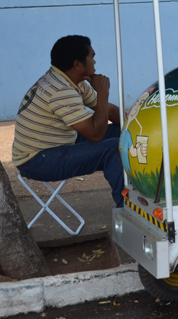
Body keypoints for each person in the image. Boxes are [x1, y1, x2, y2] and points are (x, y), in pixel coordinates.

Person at [12, 36, 124, 208]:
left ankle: (143, 189)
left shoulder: (70, 81)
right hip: (36, 159)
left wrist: (136, 124)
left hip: (60, 142)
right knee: (112, 149)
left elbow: (110, 112)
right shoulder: (60, 91)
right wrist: (103, 92)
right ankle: (126, 209)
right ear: (77, 64)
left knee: (126, 134)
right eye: (92, 57)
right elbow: (95, 134)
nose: (95, 62)